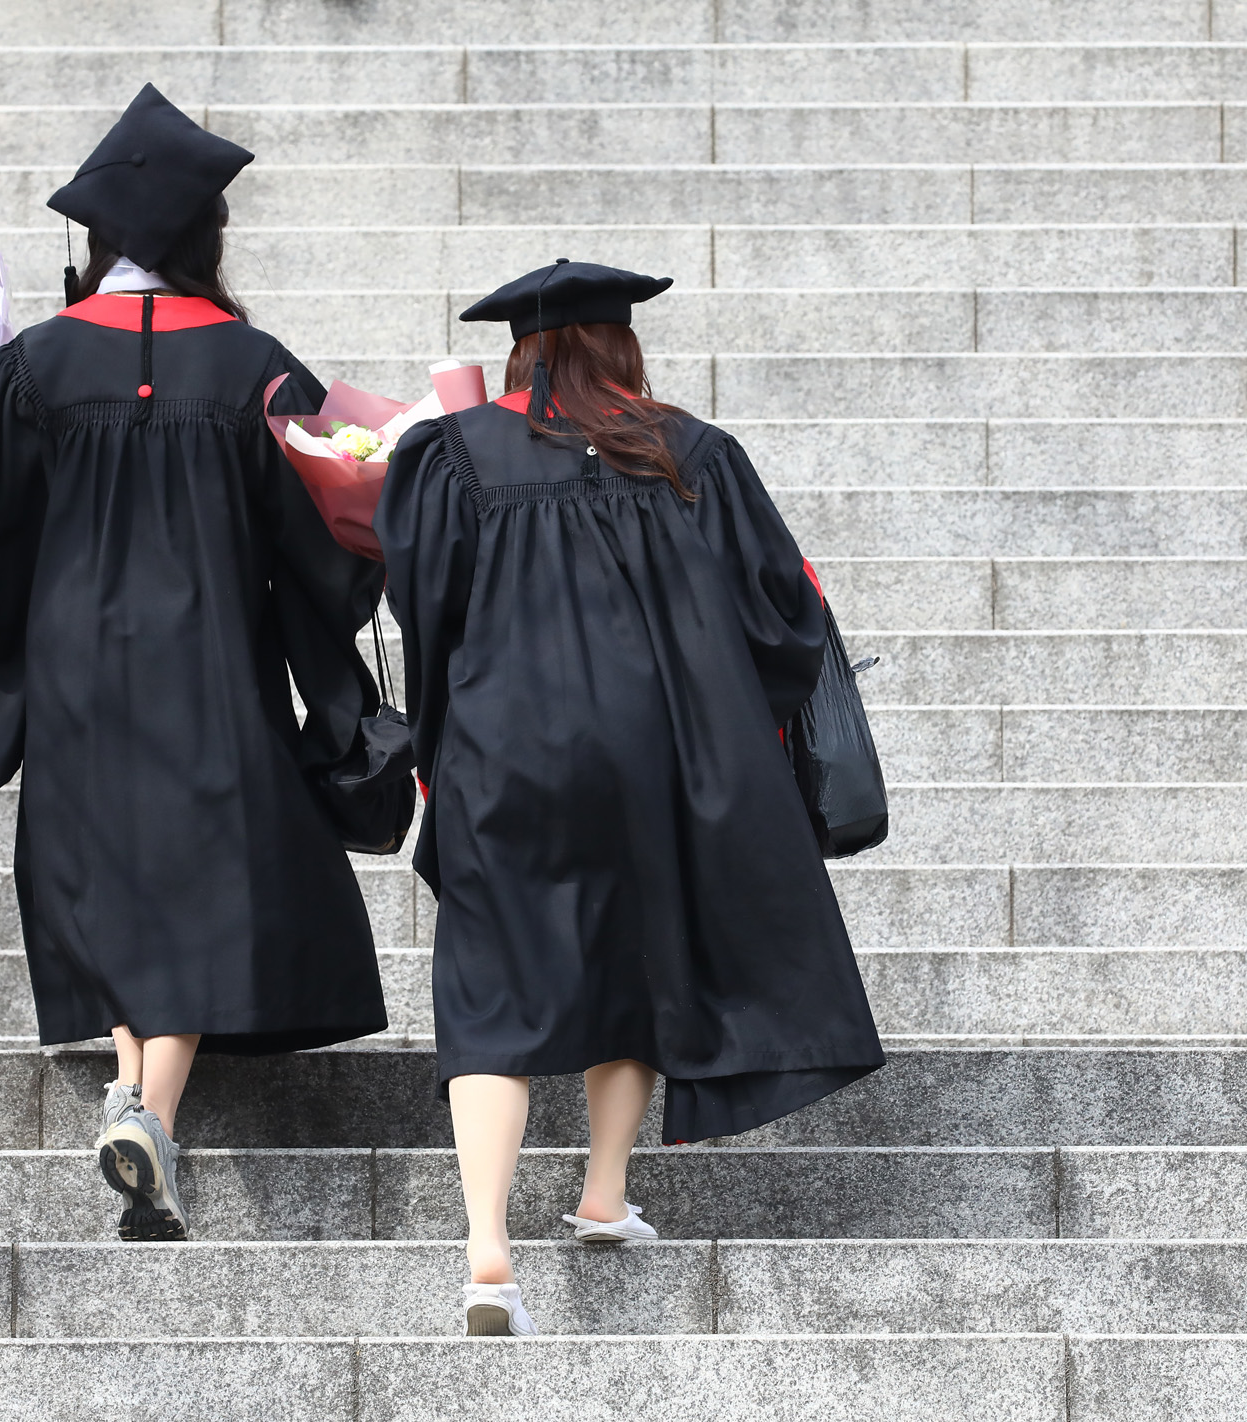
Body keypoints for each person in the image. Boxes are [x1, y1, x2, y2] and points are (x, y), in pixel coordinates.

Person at [0, 84, 390, 1242]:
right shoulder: (250, 367)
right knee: (201, 879)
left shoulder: (36, 365)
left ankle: (137, 1091)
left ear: (99, 242)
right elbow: (326, 534)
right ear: (203, 239)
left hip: (74, 668)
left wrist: (1, 650)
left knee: (108, 869)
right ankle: (148, 1112)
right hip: (209, 665)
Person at [377, 259, 885, 1336]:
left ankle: (486, 1254)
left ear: (520, 354)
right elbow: (779, 620)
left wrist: (435, 745)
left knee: (489, 988)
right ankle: (602, 1191)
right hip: (656, 753)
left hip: (502, 748)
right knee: (641, 953)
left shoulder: (448, 454)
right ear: (623, 349)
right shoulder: (687, 449)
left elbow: (423, 610)